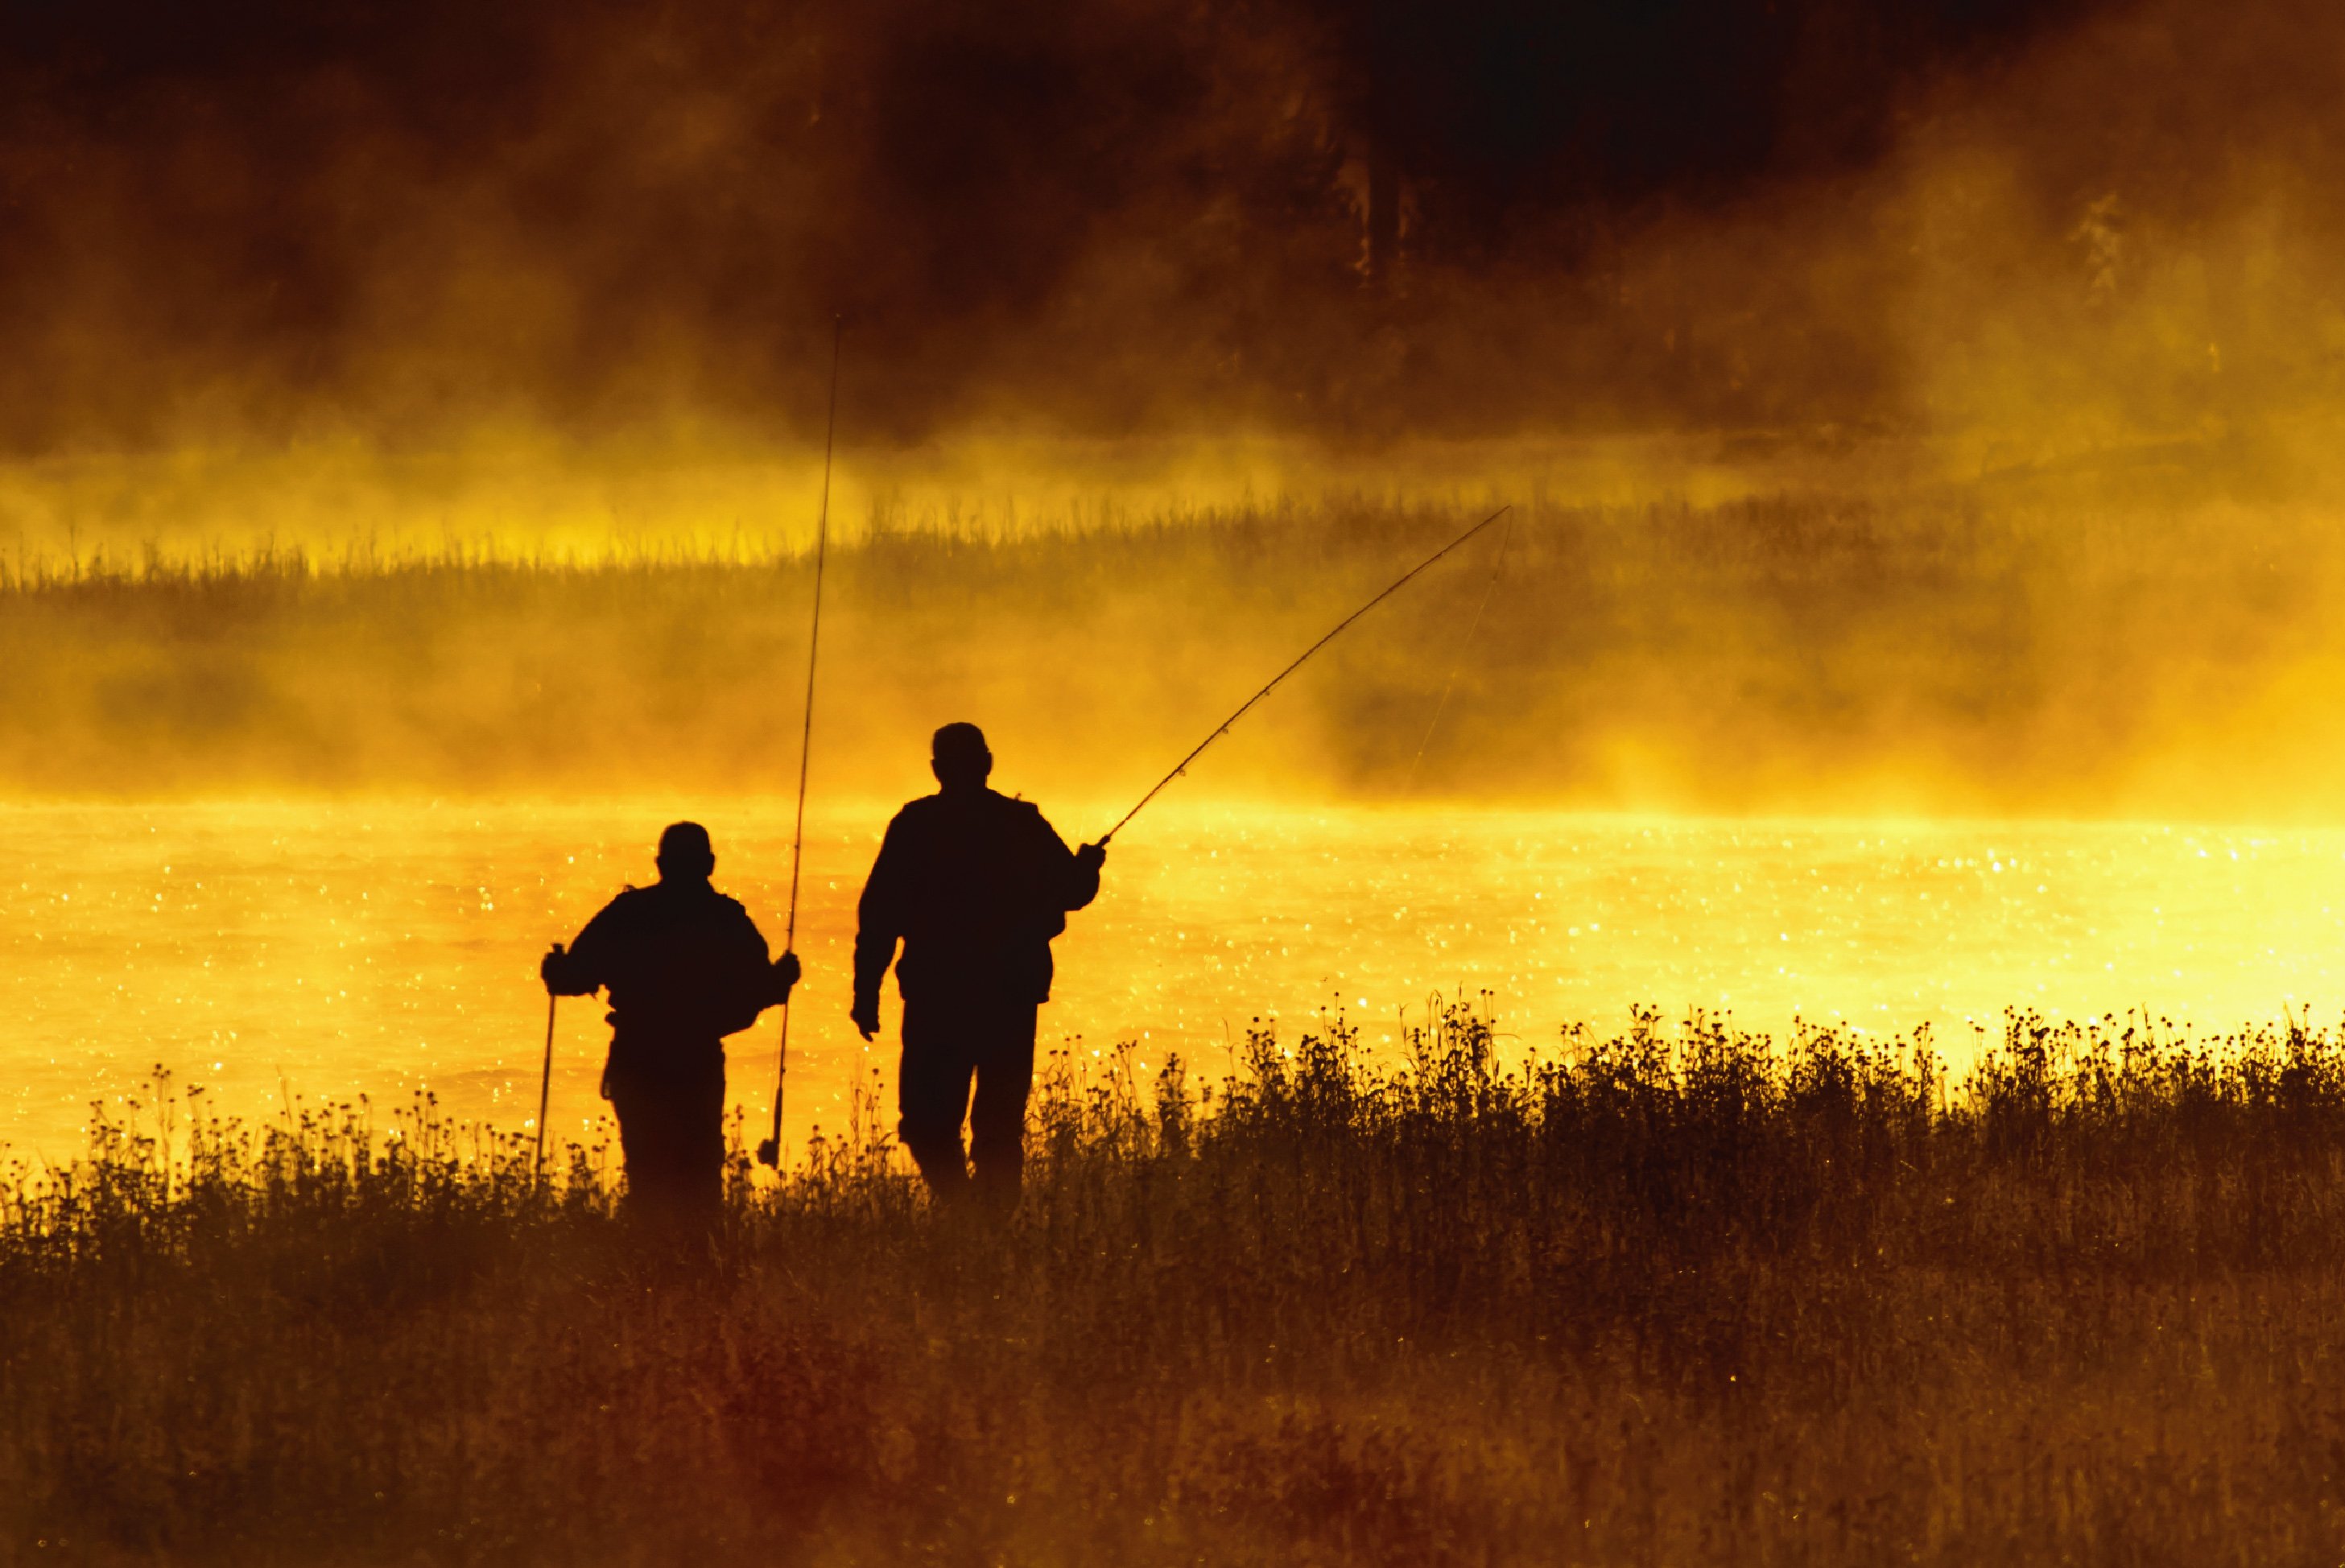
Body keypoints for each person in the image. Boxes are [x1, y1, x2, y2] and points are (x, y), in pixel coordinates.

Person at [853, 723, 1105, 1211]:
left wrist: (866, 992)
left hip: (936, 997)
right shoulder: (1021, 823)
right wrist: (1088, 865)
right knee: (998, 1128)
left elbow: (879, 915)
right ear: (988, 764)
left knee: (927, 1125)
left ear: (937, 770)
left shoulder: (915, 825)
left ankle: (968, 1218)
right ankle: (986, 1227)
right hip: (1008, 997)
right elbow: (1072, 892)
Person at [541, 822, 799, 1225]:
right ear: (710, 865)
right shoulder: (726, 920)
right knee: (698, 1174)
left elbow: (571, 978)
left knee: (646, 1170)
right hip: (696, 1060)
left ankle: (649, 1262)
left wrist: (555, 968)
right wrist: (783, 977)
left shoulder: (628, 914)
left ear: (660, 865)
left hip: (637, 1057)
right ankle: (697, 1267)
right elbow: (760, 988)